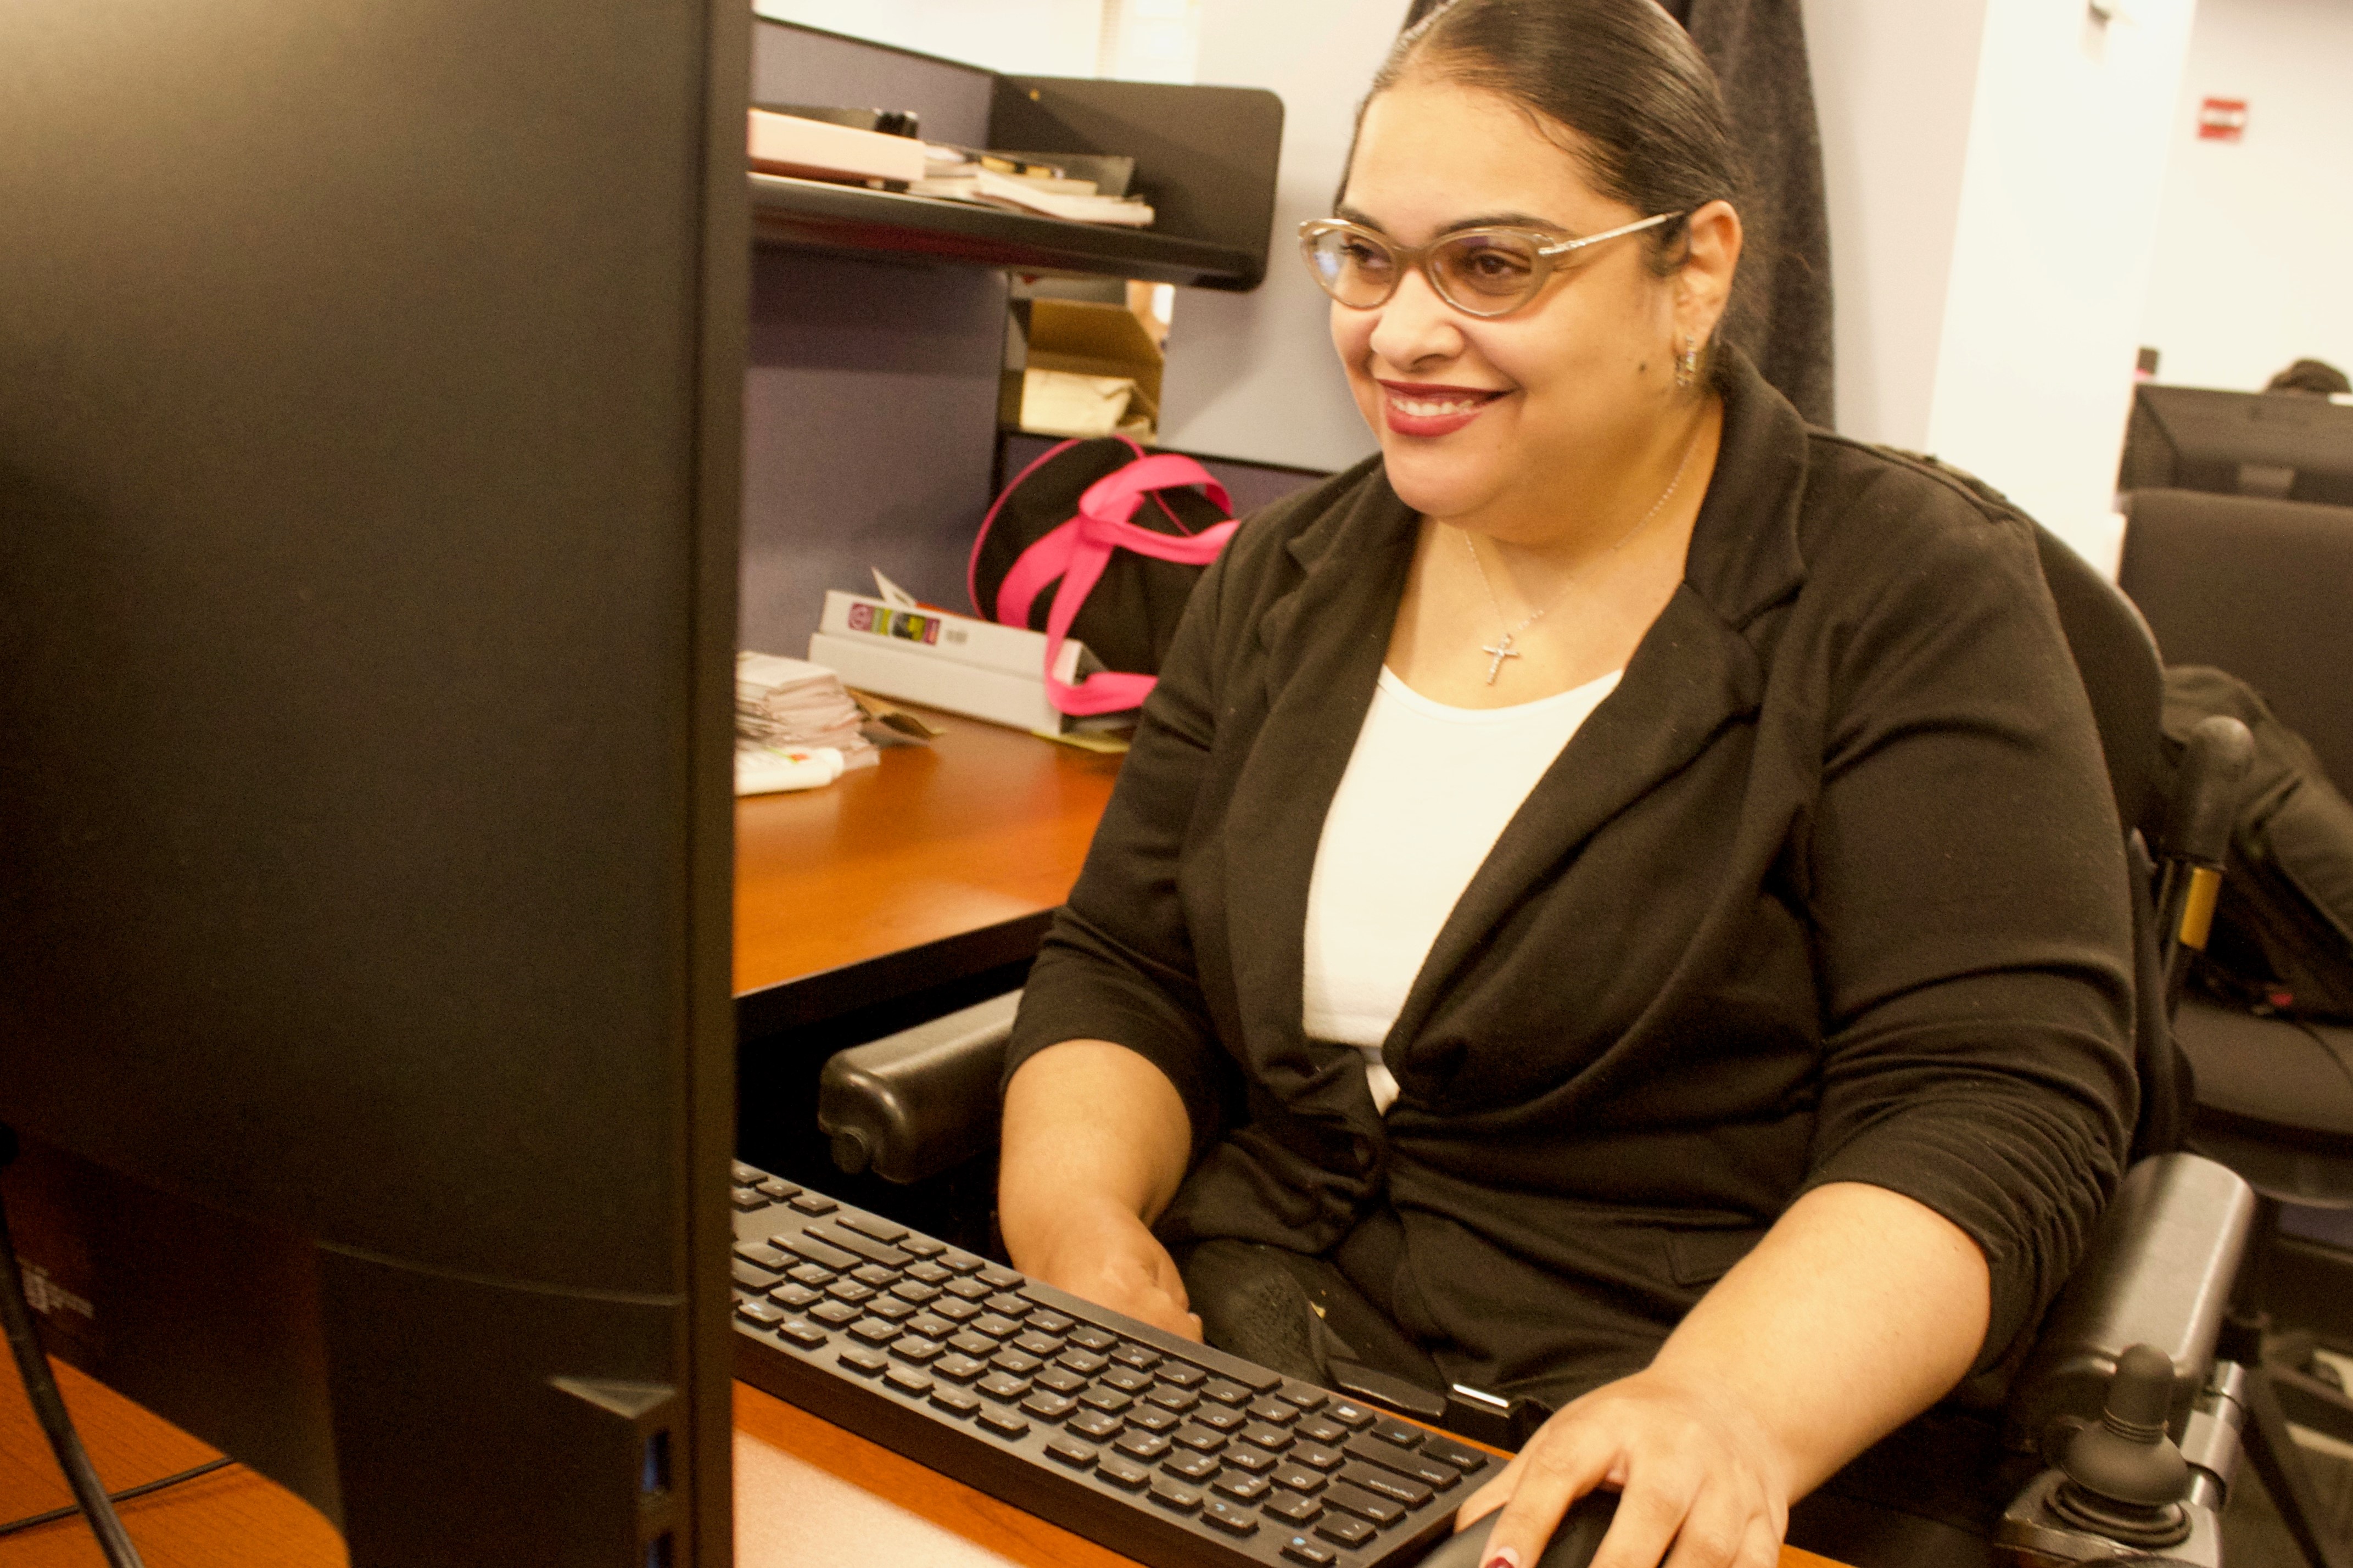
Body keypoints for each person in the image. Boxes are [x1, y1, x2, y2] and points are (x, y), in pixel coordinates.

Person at [996, 2, 2137, 1565]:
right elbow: (1127, 969)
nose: (1398, 333)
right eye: (1370, 257)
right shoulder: (1288, 574)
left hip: (1665, 1446)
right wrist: (1077, 1231)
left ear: (1699, 271)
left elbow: (1995, 1105)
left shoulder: (1905, 595)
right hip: (1247, 1381)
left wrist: (1726, 1406)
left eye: (1492, 265)